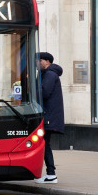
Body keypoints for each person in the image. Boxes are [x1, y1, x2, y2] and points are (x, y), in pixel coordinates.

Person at [36, 52, 64, 184]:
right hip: (49, 115)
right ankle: (50, 173)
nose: (37, 63)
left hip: (48, 116)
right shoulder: (48, 74)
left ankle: (51, 174)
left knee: (45, 144)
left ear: (47, 61)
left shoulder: (49, 74)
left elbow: (44, 92)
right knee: (45, 143)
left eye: (39, 60)